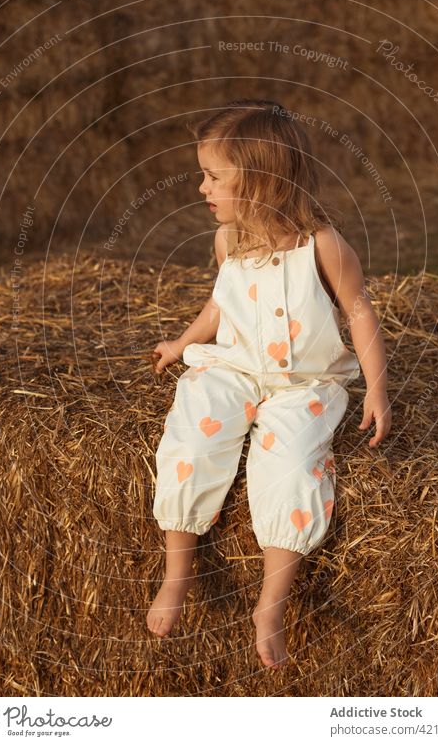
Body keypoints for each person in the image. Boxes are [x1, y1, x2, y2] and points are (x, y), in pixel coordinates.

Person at [147, 99, 392, 669]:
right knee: (191, 439)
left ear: (260, 183)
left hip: (301, 383)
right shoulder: (228, 241)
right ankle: (177, 572)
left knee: (289, 467)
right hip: (234, 368)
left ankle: (270, 605)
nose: (201, 188)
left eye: (213, 177)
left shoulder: (323, 247)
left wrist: (377, 388)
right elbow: (220, 303)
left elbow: (360, 313)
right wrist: (184, 344)